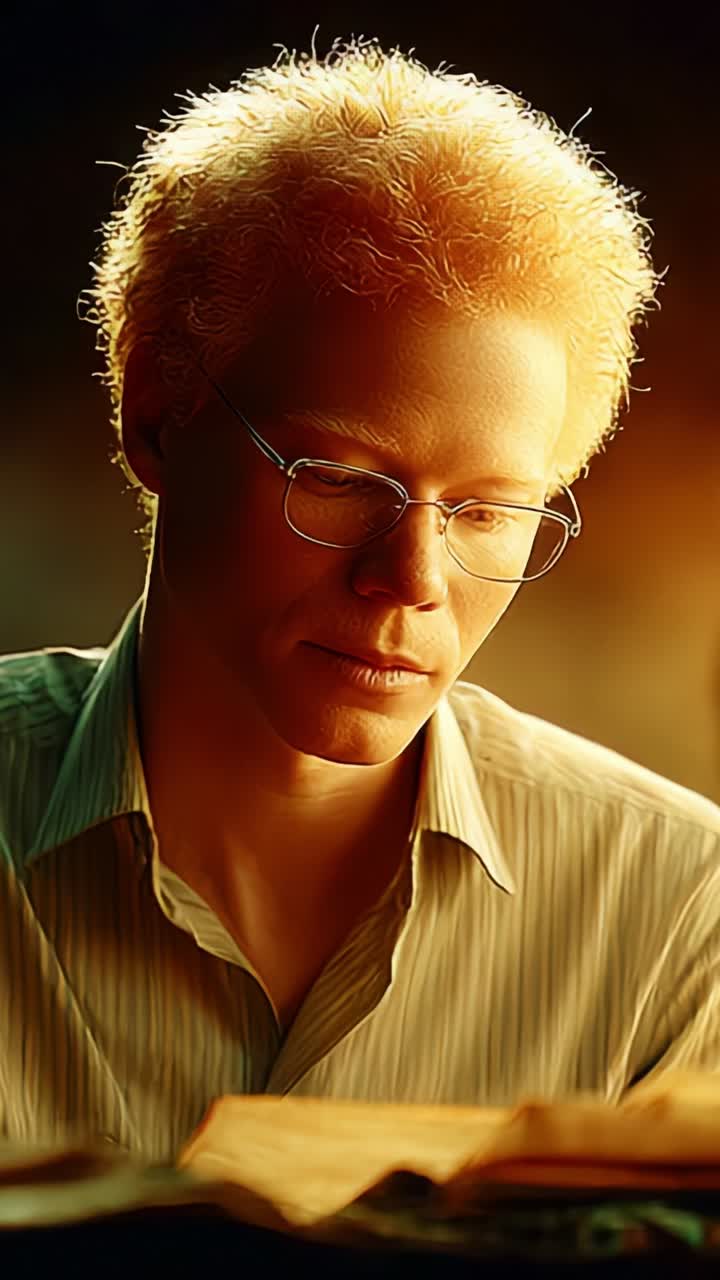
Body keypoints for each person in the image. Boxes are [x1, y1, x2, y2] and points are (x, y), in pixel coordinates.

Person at [1, 38, 718, 1165]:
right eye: (336, 479)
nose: (413, 580)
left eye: (487, 510)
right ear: (156, 418)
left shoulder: (683, 910)